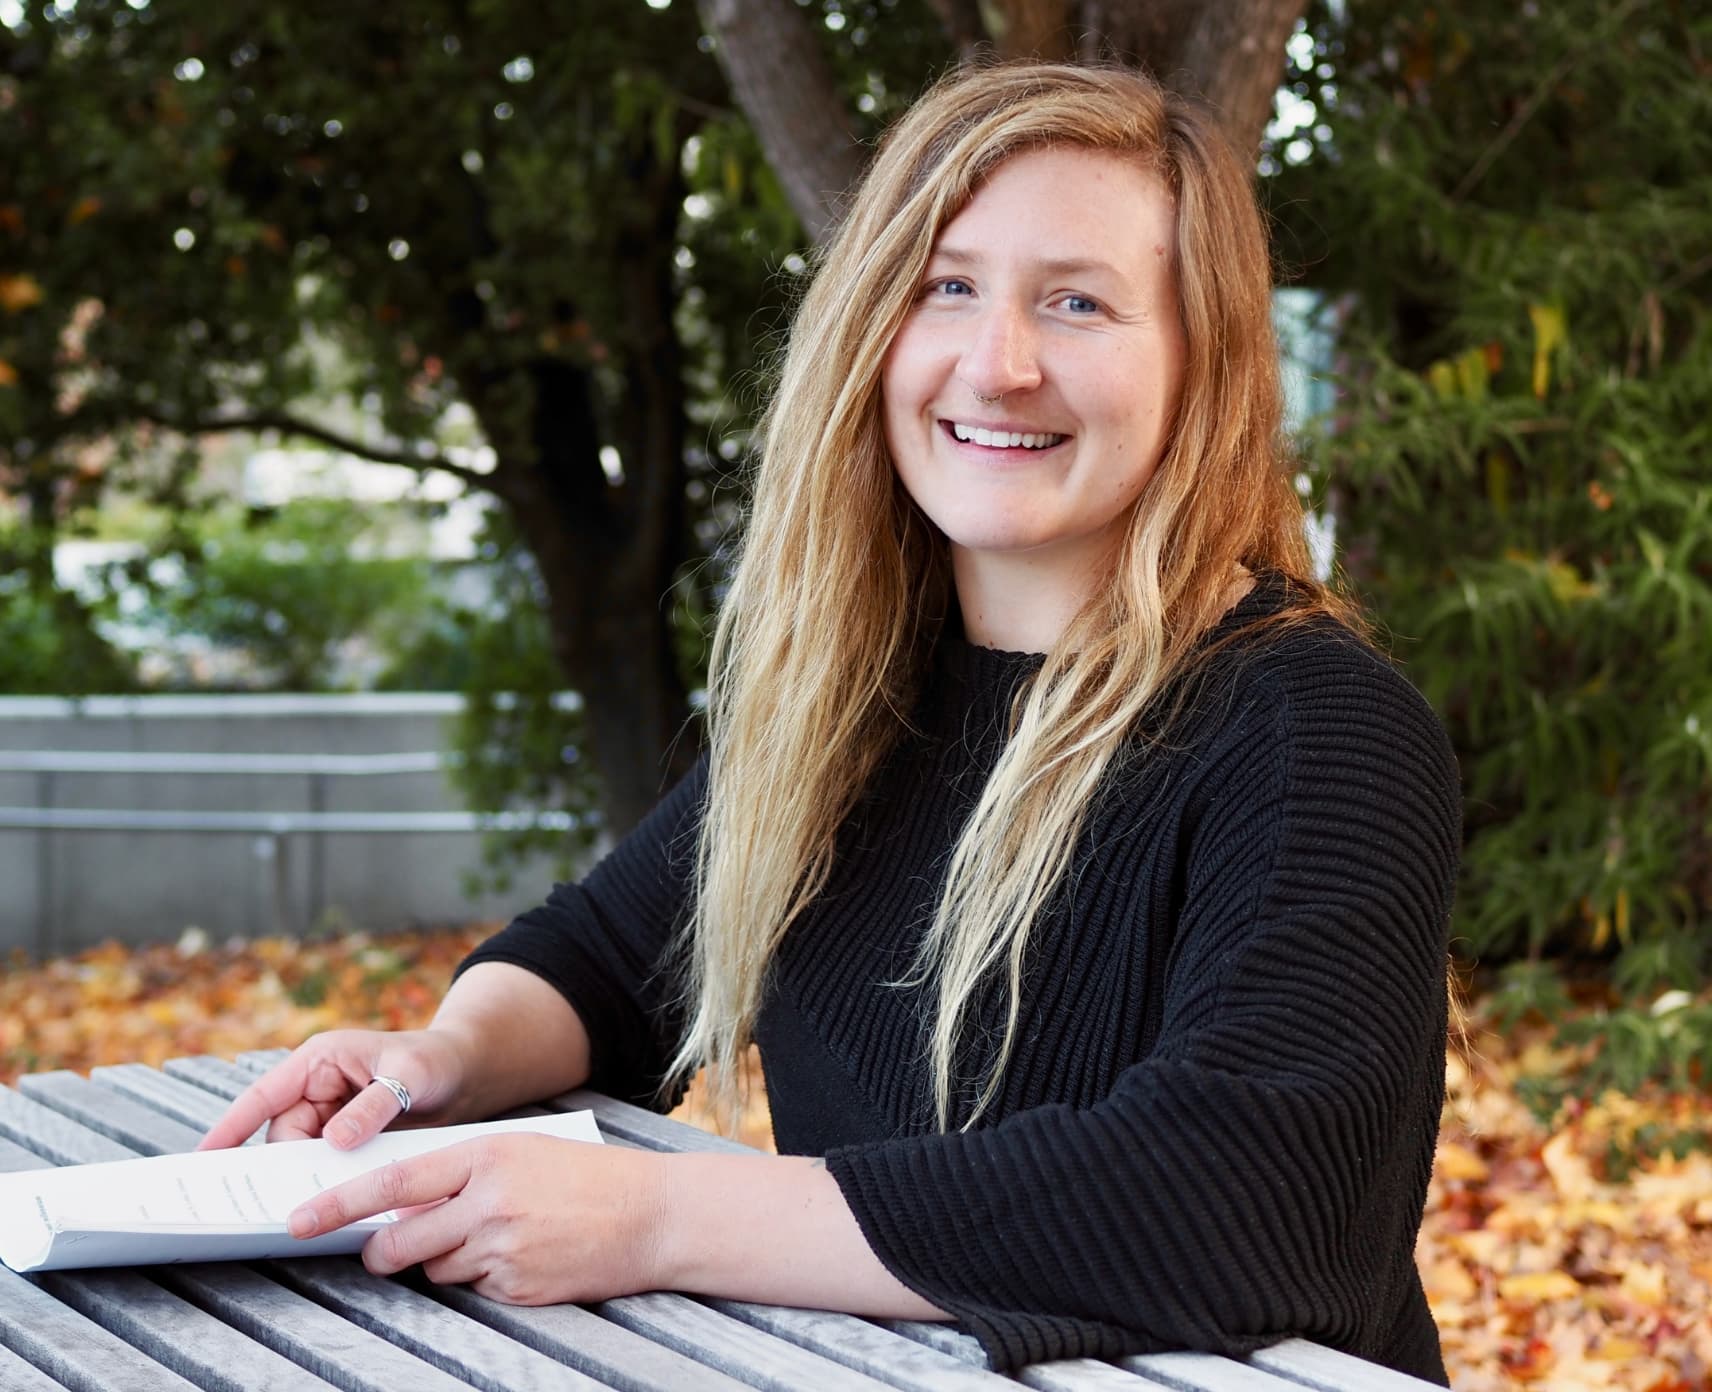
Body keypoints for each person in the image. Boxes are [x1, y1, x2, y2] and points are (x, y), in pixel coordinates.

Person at [201, 61, 1460, 1386]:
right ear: (871, 326)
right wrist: (441, 1058)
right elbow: (604, 957)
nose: (1000, 362)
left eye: (1078, 303)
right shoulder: (861, 703)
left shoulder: (1316, 726)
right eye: (946, 285)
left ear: (1202, 364)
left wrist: (658, 1217)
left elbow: (1242, 1201)